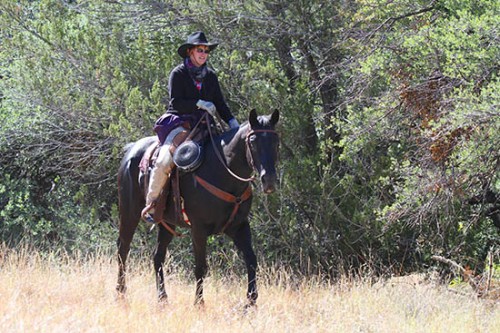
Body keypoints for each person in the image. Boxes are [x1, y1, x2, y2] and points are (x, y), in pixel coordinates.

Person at [142, 31, 240, 223]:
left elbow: (220, 103)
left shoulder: (211, 76)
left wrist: (232, 122)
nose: (204, 54)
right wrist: (199, 103)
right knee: (164, 160)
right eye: (200, 50)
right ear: (190, 52)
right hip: (180, 124)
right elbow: (176, 102)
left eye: (206, 51)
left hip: (204, 125)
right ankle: (152, 204)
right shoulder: (178, 74)